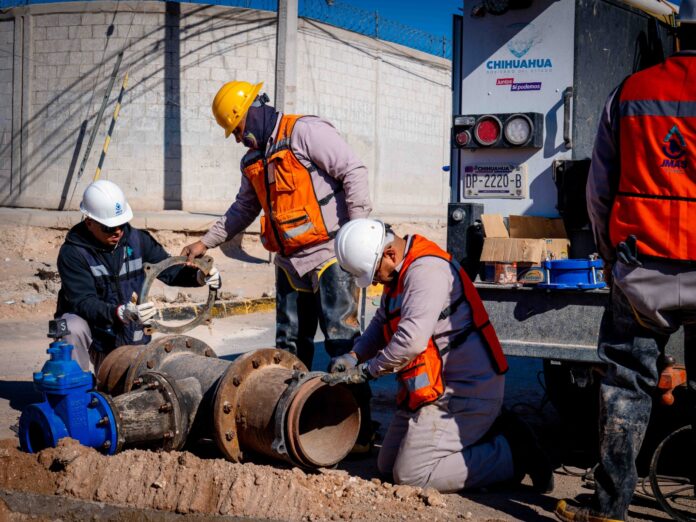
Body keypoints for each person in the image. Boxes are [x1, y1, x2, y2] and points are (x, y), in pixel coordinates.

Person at [555, 6, 696, 522]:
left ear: (676, 33)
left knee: (625, 385)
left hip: (641, 271)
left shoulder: (630, 92)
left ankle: (609, 509)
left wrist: (613, 255)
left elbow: (599, 189)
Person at [180, 80, 374, 450]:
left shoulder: (305, 132)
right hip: (288, 263)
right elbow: (243, 208)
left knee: (342, 341)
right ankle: (296, 422)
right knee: (289, 346)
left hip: (330, 255)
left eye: (238, 129)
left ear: (252, 113)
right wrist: (206, 241)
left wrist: (357, 231)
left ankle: (359, 430)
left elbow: (354, 171)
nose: (239, 139)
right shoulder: (252, 161)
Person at [323, 218, 554, 493]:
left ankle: (513, 452)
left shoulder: (426, 272)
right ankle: (486, 433)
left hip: (466, 391)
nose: (374, 281)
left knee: (411, 475)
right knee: (387, 465)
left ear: (390, 254)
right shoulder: (398, 271)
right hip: (434, 391)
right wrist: (354, 355)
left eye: (374, 275)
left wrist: (367, 371)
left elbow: (410, 343)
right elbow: (382, 321)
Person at [56, 180, 221, 372]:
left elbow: (169, 270)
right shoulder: (73, 253)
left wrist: (200, 276)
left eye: (121, 224)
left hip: (127, 332)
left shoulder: (138, 240)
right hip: (95, 329)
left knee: (121, 387)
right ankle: (75, 385)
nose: (117, 232)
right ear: (89, 222)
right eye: (109, 227)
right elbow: (83, 302)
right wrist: (118, 312)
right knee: (71, 327)